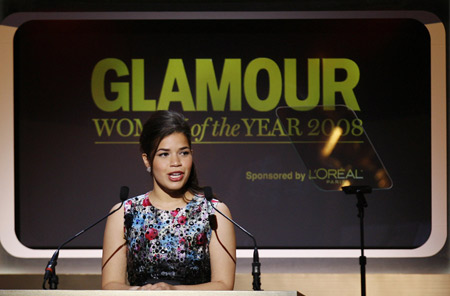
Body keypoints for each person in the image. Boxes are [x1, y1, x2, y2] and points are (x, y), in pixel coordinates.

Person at [101, 110, 236, 290]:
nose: (176, 163)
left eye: (183, 153)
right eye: (164, 154)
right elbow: (110, 285)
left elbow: (224, 285)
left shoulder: (214, 212)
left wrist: (172, 291)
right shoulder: (125, 213)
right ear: (147, 160)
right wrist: (140, 291)